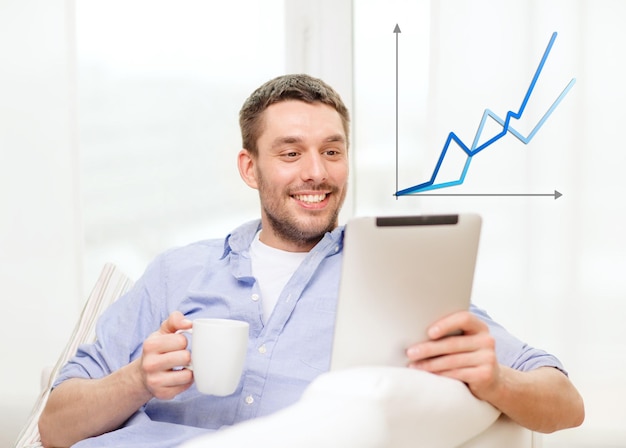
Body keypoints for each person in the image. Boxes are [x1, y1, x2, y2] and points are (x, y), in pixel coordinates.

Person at [38, 74, 584, 448]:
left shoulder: (393, 275)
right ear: (250, 169)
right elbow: (56, 424)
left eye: (332, 150)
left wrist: (494, 381)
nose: (316, 173)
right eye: (291, 152)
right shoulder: (175, 273)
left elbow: (565, 402)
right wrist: (136, 380)